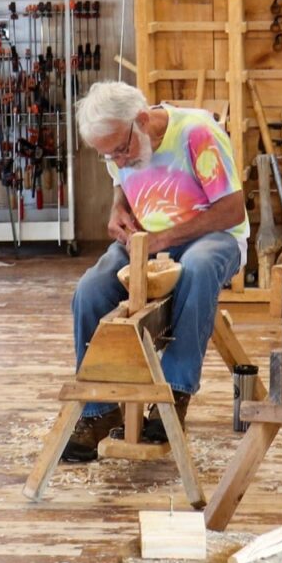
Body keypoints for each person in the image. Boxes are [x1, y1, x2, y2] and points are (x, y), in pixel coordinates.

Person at [63, 81, 248, 462]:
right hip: (149, 240)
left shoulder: (197, 134)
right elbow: (122, 183)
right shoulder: (122, 144)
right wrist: (118, 210)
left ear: (143, 120)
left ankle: (172, 397)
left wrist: (164, 239)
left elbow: (232, 211)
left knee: (197, 267)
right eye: (108, 156)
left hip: (213, 238)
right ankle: (99, 410)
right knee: (91, 289)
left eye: (121, 150)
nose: (119, 161)